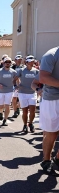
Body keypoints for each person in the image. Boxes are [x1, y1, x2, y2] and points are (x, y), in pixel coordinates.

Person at [38, 46, 59, 174]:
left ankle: (57, 159)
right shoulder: (51, 55)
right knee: (51, 133)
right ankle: (46, 160)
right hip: (53, 99)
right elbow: (43, 78)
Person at [13, 55, 39, 133]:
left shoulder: (36, 71)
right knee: (25, 111)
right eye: (30, 61)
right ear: (26, 62)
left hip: (32, 93)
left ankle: (30, 123)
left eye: (33, 61)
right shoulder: (21, 70)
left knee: (33, 111)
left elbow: (41, 80)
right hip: (22, 93)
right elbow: (14, 80)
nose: (32, 63)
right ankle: (25, 125)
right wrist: (16, 86)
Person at [0, 57, 17, 126]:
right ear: (4, 63)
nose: (7, 64)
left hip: (9, 90)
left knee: (7, 105)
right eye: (6, 62)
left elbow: (17, 80)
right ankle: (0, 113)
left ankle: (5, 120)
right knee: (0, 106)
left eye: (9, 62)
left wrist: (17, 86)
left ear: (11, 63)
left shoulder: (13, 72)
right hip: (0, 91)